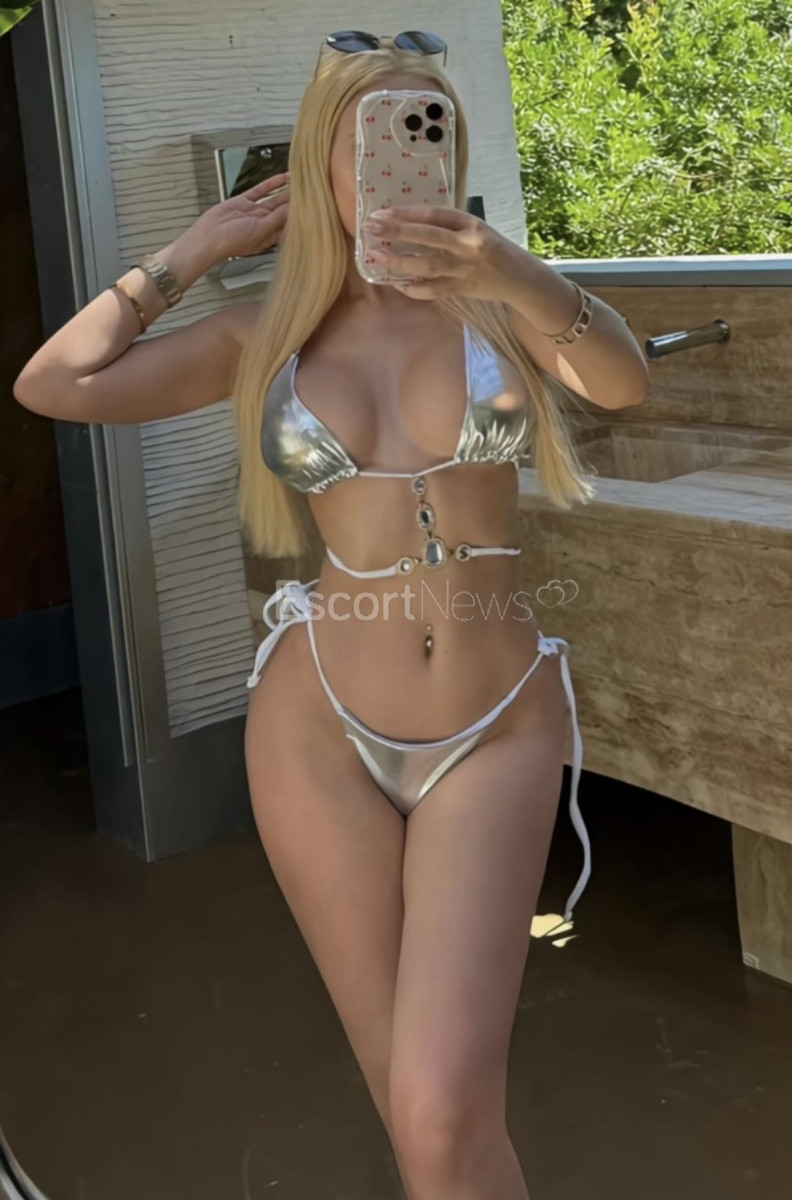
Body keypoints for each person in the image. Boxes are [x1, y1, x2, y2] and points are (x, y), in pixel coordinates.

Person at [14, 31, 649, 1200]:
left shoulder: (502, 306)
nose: (404, 161)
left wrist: (509, 265)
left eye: (428, 131)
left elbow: (623, 379)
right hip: (317, 731)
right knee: (410, 1111)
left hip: (496, 722)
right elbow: (55, 383)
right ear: (324, 164)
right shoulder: (265, 335)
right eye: (375, 140)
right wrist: (194, 252)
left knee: (442, 1104)